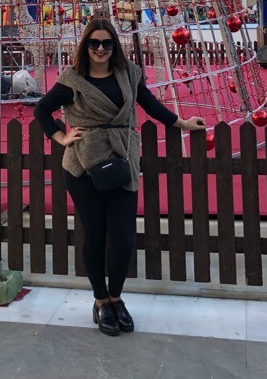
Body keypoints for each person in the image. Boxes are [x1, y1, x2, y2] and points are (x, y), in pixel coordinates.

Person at [33, 18, 207, 337]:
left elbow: (150, 104)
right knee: (96, 235)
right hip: (83, 166)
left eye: (107, 43)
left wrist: (182, 123)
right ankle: (101, 301)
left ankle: (116, 297)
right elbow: (42, 110)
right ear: (85, 46)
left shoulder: (128, 73)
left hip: (122, 160)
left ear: (115, 46)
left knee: (124, 238)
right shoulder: (73, 79)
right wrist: (60, 139)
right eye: (94, 43)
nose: (100, 49)